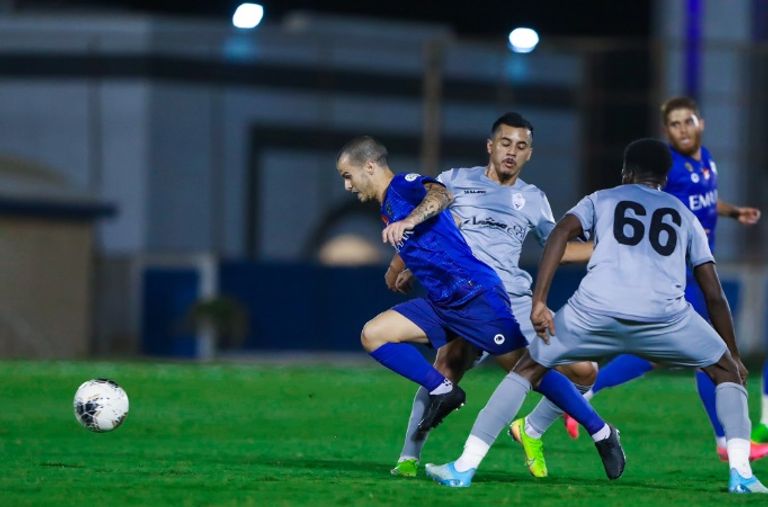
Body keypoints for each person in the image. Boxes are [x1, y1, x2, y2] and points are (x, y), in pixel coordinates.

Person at [425, 138, 768, 494]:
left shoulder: (601, 198)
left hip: (594, 311)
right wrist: (734, 355)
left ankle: (463, 467)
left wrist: (539, 300)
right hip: (664, 318)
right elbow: (714, 294)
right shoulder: (685, 215)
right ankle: (742, 475)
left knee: (527, 370)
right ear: (665, 179)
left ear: (626, 172)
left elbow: (560, 234)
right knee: (726, 372)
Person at [335, 135, 624, 478]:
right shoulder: (388, 206)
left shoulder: (402, 186)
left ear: (369, 166)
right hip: (443, 302)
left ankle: (602, 432)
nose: (347, 185)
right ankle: (440, 398)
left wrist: (409, 222)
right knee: (374, 334)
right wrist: (400, 265)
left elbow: (440, 195)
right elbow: (448, 228)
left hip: (475, 296)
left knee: (526, 370)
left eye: (348, 175)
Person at [540, 97, 767, 462]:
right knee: (710, 355)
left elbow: (704, 201)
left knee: (653, 355)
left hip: (695, 266)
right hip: (676, 270)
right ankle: (726, 441)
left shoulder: (706, 160)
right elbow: (645, 210)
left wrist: (733, 212)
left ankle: (582, 394)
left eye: (688, 121)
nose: (683, 129)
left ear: (701, 123)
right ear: (667, 130)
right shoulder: (667, 169)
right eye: (675, 124)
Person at [386, 112, 596, 480]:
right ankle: (408, 458)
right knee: (446, 368)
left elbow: (558, 248)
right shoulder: (455, 181)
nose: (511, 152)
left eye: (521, 146)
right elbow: (426, 225)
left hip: (514, 302)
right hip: (466, 297)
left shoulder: (533, 199)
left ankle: (530, 429)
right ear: (490, 145)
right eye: (505, 143)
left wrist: (606, 249)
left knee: (585, 371)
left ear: (529, 153)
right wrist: (400, 265)